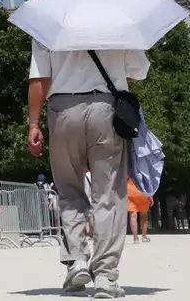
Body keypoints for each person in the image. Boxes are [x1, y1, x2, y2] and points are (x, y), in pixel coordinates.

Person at [27, 41, 149, 299]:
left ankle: (77, 261)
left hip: (62, 108)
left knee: (69, 188)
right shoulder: (119, 24)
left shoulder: (50, 26)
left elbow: (39, 78)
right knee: (109, 194)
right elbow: (138, 71)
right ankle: (105, 274)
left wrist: (34, 124)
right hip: (106, 108)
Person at [127, 177, 152, 243]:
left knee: (133, 215)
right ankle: (144, 237)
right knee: (144, 215)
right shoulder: (143, 171)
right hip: (143, 192)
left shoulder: (128, 170)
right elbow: (148, 181)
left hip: (131, 192)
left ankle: (135, 238)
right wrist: (150, 195)